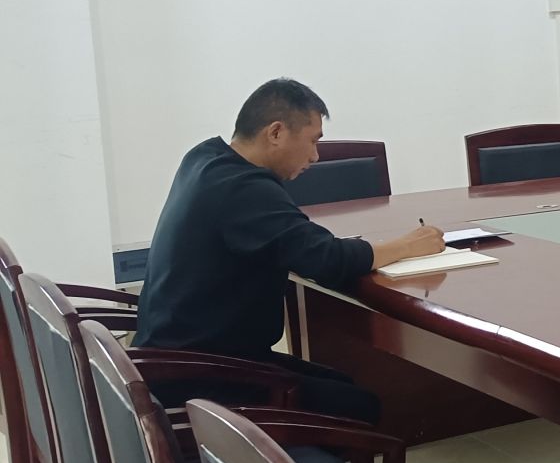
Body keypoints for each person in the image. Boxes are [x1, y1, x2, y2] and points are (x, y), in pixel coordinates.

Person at [135, 79, 444, 422]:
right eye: (313, 141)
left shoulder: (205, 158)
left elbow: (296, 242)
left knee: (342, 385)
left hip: (174, 357)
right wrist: (407, 246)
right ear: (276, 132)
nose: (315, 156)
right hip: (201, 375)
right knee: (359, 406)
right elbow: (327, 259)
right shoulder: (244, 188)